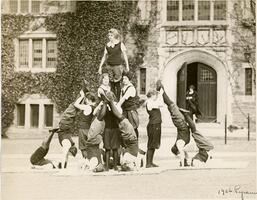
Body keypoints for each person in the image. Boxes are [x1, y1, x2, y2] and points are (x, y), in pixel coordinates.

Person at [156, 80, 190, 167]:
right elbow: (182, 153)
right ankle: (161, 90)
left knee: (171, 105)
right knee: (171, 105)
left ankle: (161, 90)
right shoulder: (180, 144)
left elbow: (184, 153)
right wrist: (182, 164)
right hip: (180, 124)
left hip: (181, 124)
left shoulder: (181, 143)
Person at [98, 28, 129, 100]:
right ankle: (112, 100)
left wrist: (127, 65)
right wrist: (100, 67)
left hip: (117, 66)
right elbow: (104, 56)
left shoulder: (120, 44)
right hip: (109, 66)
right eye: (109, 35)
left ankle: (117, 101)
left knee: (117, 84)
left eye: (111, 35)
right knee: (111, 84)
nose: (109, 37)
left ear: (115, 36)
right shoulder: (107, 45)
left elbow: (125, 55)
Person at [118, 72, 140, 138]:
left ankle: (135, 143)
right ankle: (126, 145)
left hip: (131, 111)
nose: (124, 80)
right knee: (125, 126)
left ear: (129, 79)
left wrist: (117, 106)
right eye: (123, 79)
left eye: (126, 79)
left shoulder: (131, 88)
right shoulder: (123, 88)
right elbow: (120, 99)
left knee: (132, 127)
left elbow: (123, 99)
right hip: (125, 110)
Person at [145, 89, 163, 168]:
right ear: (152, 95)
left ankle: (150, 162)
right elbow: (161, 104)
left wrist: (159, 95)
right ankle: (148, 163)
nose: (156, 96)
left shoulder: (152, 102)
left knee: (154, 143)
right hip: (153, 125)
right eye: (155, 95)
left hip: (155, 124)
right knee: (151, 143)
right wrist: (160, 95)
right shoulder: (149, 102)